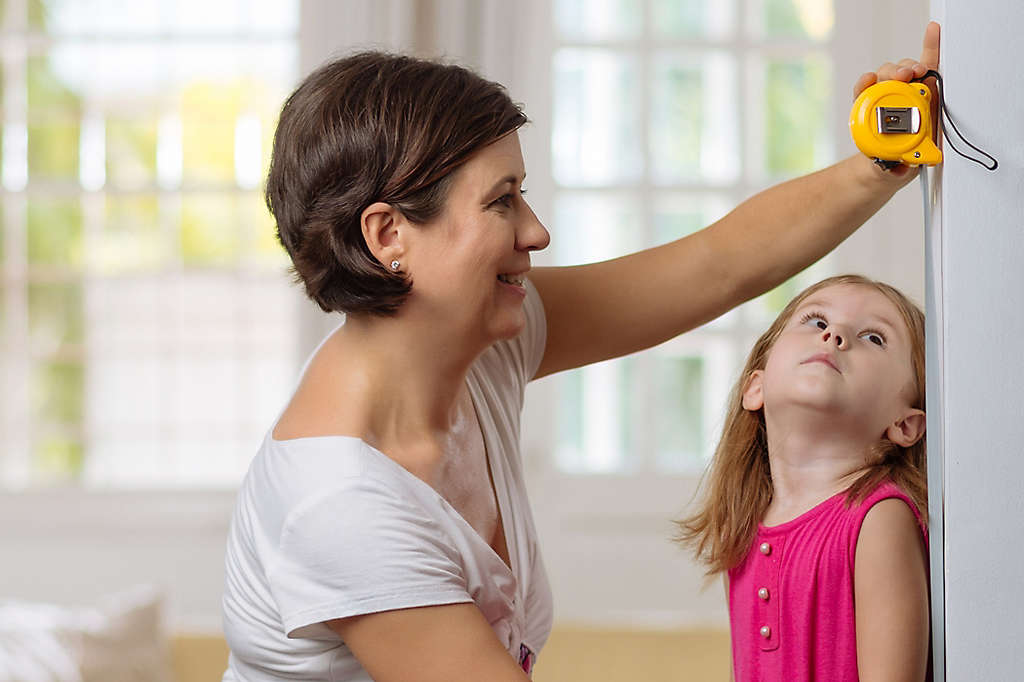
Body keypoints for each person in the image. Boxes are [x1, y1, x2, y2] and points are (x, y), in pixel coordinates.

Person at [221, 22, 942, 682]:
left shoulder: (476, 348)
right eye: (502, 200)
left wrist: (880, 159)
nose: (535, 231)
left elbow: (719, 263)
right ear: (389, 237)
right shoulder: (341, 507)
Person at [677, 274, 929, 681]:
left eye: (874, 337)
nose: (834, 335)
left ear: (905, 423)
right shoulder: (744, 528)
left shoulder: (880, 520)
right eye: (815, 321)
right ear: (755, 386)